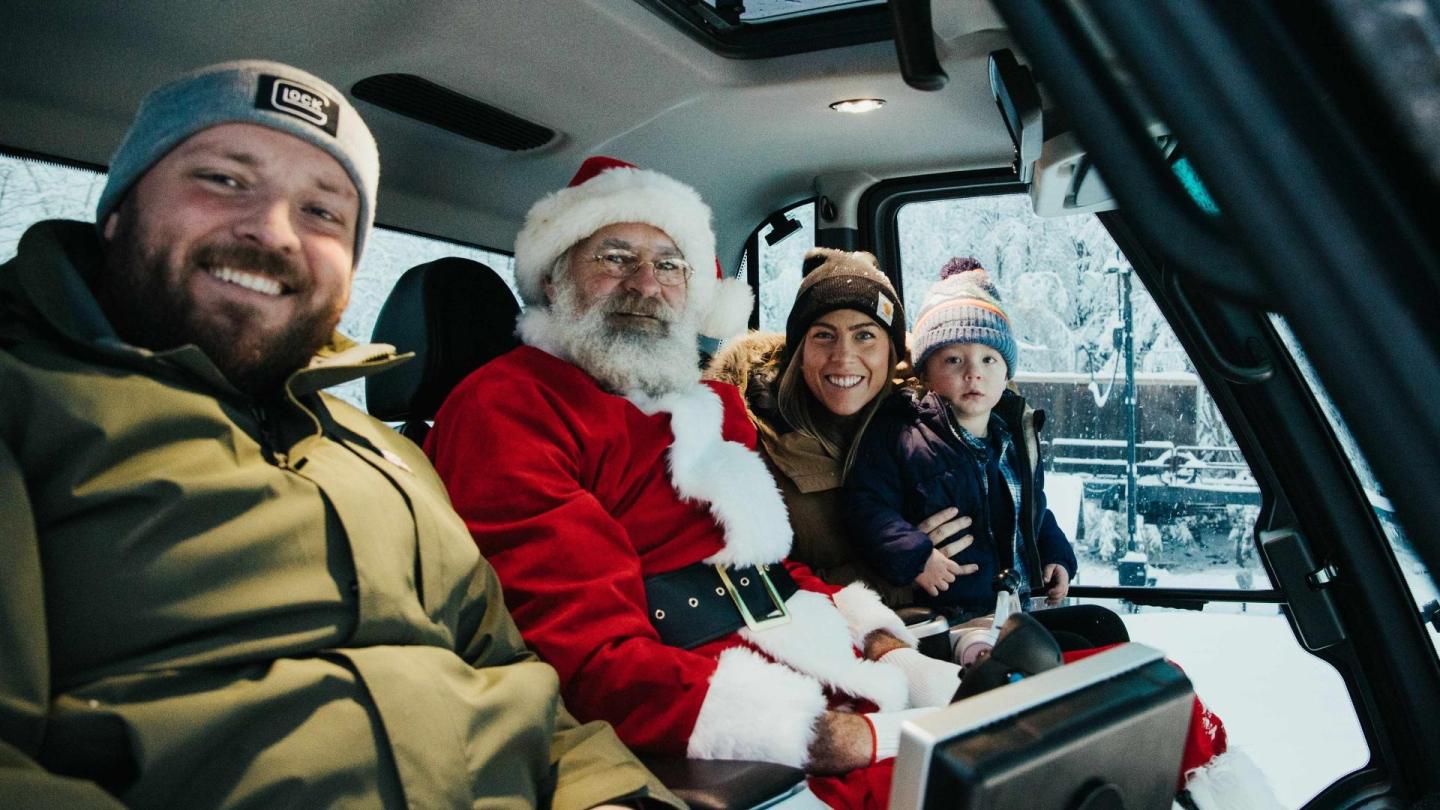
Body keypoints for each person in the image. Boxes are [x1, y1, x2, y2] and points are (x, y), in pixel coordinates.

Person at [0, 62, 677, 809]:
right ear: (118, 210)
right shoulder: (25, 405)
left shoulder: (390, 458)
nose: (272, 231)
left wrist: (611, 795)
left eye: (324, 212)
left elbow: (519, 684)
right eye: (225, 179)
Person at [427, 157, 970, 806]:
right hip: (720, 734)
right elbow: (585, 659)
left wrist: (887, 648)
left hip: (804, 675)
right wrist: (833, 736)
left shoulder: (705, 406)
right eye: (615, 257)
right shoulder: (509, 407)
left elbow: (767, 574)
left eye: (670, 264)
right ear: (555, 275)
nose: (646, 284)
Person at [707, 249, 1280, 807]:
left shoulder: (922, 419)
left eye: (865, 336)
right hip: (887, 628)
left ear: (892, 351)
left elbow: (1024, 508)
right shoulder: (765, 442)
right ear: (799, 347)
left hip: (957, 605)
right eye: (823, 336)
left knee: (1109, 646)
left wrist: (1048, 552)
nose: (844, 357)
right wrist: (911, 563)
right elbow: (775, 578)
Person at [845, 257, 1078, 616]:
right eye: (953, 360)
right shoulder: (902, 434)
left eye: (989, 360)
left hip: (1018, 605)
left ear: (1006, 374)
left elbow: (1033, 510)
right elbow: (867, 508)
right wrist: (916, 556)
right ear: (925, 373)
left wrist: (1056, 555)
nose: (974, 373)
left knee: (1098, 630)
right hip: (951, 610)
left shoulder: (1013, 438)